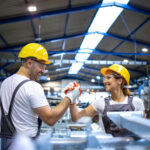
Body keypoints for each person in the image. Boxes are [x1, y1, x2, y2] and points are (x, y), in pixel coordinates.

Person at [0, 43, 81, 150]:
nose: (43, 70)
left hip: (5, 142)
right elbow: (50, 119)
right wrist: (70, 97)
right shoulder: (32, 86)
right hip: (24, 144)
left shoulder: (5, 82)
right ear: (29, 63)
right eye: (41, 66)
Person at [70, 64, 145, 137]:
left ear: (119, 81)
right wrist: (72, 99)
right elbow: (76, 118)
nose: (104, 81)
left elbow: (143, 129)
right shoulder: (100, 103)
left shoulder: (136, 102)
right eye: (104, 78)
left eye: (108, 78)